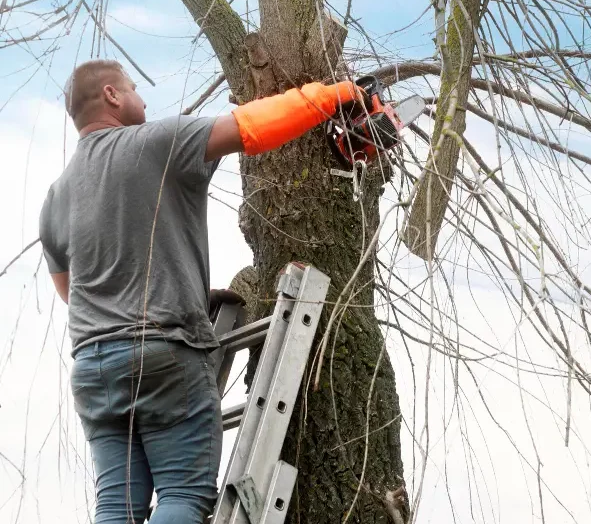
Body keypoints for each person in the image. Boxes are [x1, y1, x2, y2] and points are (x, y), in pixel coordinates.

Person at [38, 59, 362, 524]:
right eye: (134, 89)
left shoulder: (56, 196)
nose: (144, 100)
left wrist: (169, 277)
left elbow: (74, 293)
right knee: (184, 496)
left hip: (93, 368)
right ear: (111, 95)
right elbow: (254, 126)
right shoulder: (155, 142)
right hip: (162, 353)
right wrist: (335, 95)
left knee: (116, 506)